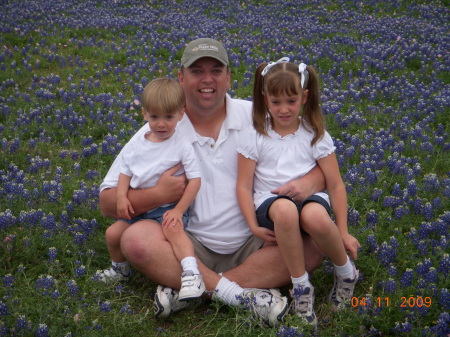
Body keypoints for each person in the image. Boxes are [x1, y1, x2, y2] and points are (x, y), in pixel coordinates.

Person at [99, 38, 326, 327]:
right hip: (186, 245)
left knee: (315, 245)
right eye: (196, 71)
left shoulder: (257, 116)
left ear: (228, 77)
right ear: (181, 78)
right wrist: (157, 194)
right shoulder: (158, 129)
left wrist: (309, 183)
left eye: (216, 70)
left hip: (257, 240)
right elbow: (107, 203)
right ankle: (240, 294)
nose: (207, 79)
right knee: (135, 240)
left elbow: (323, 165)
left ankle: (190, 289)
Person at [236, 57, 360, 325]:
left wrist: (343, 230)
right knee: (285, 209)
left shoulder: (314, 132)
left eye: (291, 101)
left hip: (309, 199)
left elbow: (335, 183)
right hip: (270, 203)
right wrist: (252, 226)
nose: (283, 109)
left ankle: (346, 271)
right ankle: (301, 287)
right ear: (264, 97)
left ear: (305, 97)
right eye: (276, 101)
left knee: (315, 217)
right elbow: (244, 185)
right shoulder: (255, 133)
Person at [96, 78, 205, 301]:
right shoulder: (138, 142)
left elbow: (195, 180)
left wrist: (178, 210)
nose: (162, 124)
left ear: (180, 115)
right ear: (144, 114)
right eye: (155, 117)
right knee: (112, 233)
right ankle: (120, 270)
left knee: (173, 229)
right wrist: (121, 197)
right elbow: (125, 171)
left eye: (168, 117)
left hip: (169, 207)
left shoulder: (182, 144)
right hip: (141, 211)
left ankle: (192, 273)